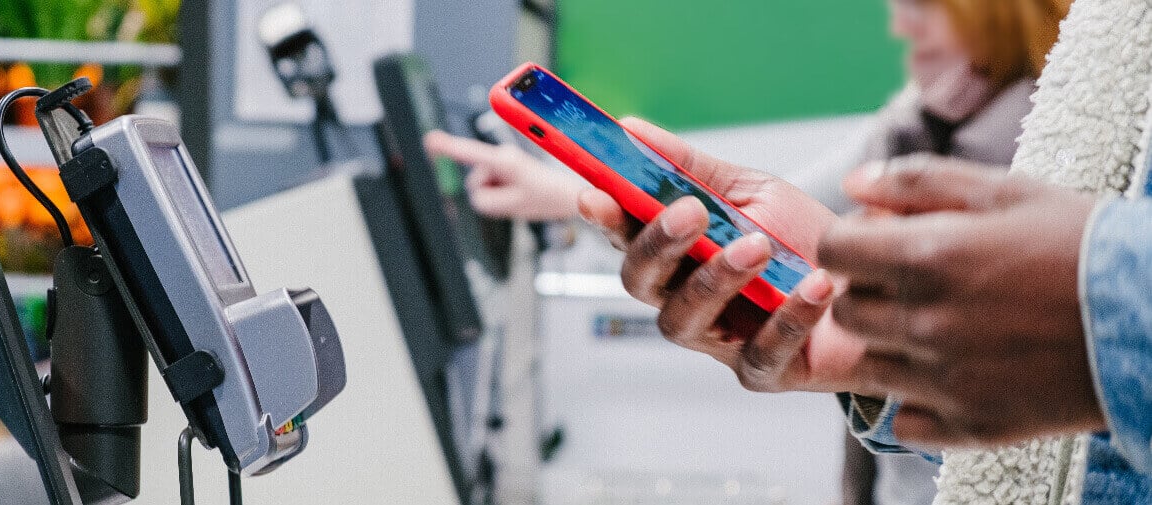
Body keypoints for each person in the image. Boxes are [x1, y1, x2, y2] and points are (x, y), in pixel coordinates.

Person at [426, 0, 1069, 502]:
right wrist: (562, 186)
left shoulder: (1049, 144)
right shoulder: (923, 114)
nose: (903, 22)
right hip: (911, 464)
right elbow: (773, 211)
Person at [578, 0, 1152, 501]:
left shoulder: (1025, 133)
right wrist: (878, 362)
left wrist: (1098, 308)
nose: (902, 25)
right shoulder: (922, 117)